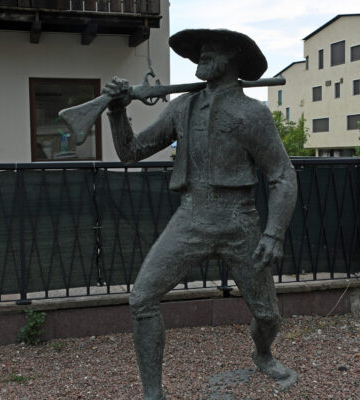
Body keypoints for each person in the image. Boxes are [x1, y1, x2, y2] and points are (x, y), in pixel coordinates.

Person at [103, 29, 298, 400]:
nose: (203, 53)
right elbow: (131, 152)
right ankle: (153, 394)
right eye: (200, 50)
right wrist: (116, 110)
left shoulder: (252, 114)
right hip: (191, 216)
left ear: (236, 58)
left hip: (239, 221)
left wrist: (273, 233)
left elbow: (282, 175)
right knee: (141, 297)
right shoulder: (181, 107)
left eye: (215, 48)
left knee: (269, 315)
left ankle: (263, 352)